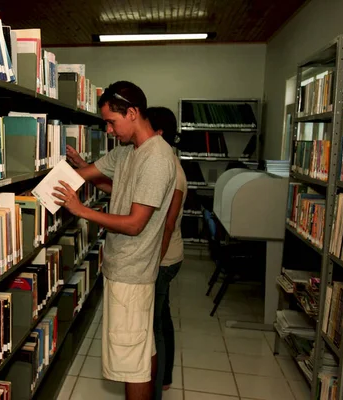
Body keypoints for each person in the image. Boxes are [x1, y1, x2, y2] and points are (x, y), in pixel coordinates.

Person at [53, 81, 176, 400]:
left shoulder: (157, 158)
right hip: (124, 269)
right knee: (140, 349)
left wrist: (80, 210)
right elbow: (89, 174)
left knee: (130, 363)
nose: (108, 129)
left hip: (132, 276)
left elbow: (135, 224)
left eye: (111, 121)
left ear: (133, 113)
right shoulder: (127, 152)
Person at [145, 107, 187, 400]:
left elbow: (168, 224)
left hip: (164, 258)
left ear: (158, 134)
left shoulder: (170, 169)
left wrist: (153, 265)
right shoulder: (166, 162)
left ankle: (155, 390)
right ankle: (167, 377)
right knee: (164, 317)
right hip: (169, 256)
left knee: (154, 327)